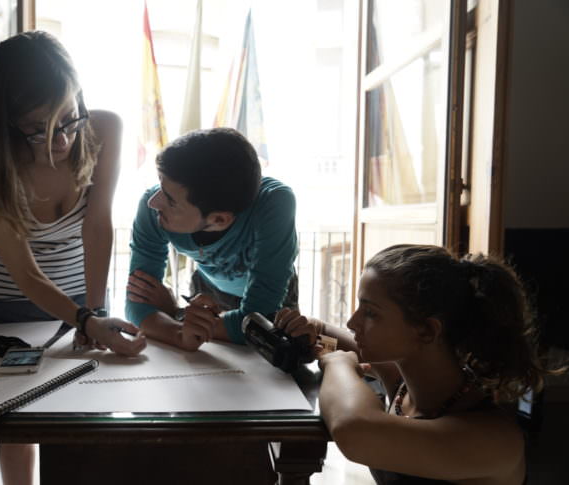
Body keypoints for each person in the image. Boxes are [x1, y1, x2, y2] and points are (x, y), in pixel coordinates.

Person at [0, 31, 146, 485]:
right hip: (7, 304)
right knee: (16, 425)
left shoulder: (104, 129)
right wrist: (86, 318)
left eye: (69, 118)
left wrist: (95, 311)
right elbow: (24, 272)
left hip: (81, 297)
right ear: (7, 123)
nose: (61, 139)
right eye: (39, 129)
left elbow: (97, 224)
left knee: (79, 415)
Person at [275, 244, 553, 484]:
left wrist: (337, 363)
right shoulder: (404, 385)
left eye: (370, 313)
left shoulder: (494, 440)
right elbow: (331, 336)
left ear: (427, 331)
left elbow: (354, 429)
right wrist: (310, 328)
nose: (352, 322)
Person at [125, 127, 299, 351]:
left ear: (219, 220)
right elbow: (137, 303)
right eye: (160, 184)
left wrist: (177, 316)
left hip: (273, 291)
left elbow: (258, 320)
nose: (153, 202)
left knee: (277, 362)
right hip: (207, 287)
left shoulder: (275, 203)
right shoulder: (153, 207)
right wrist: (181, 333)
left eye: (170, 200)